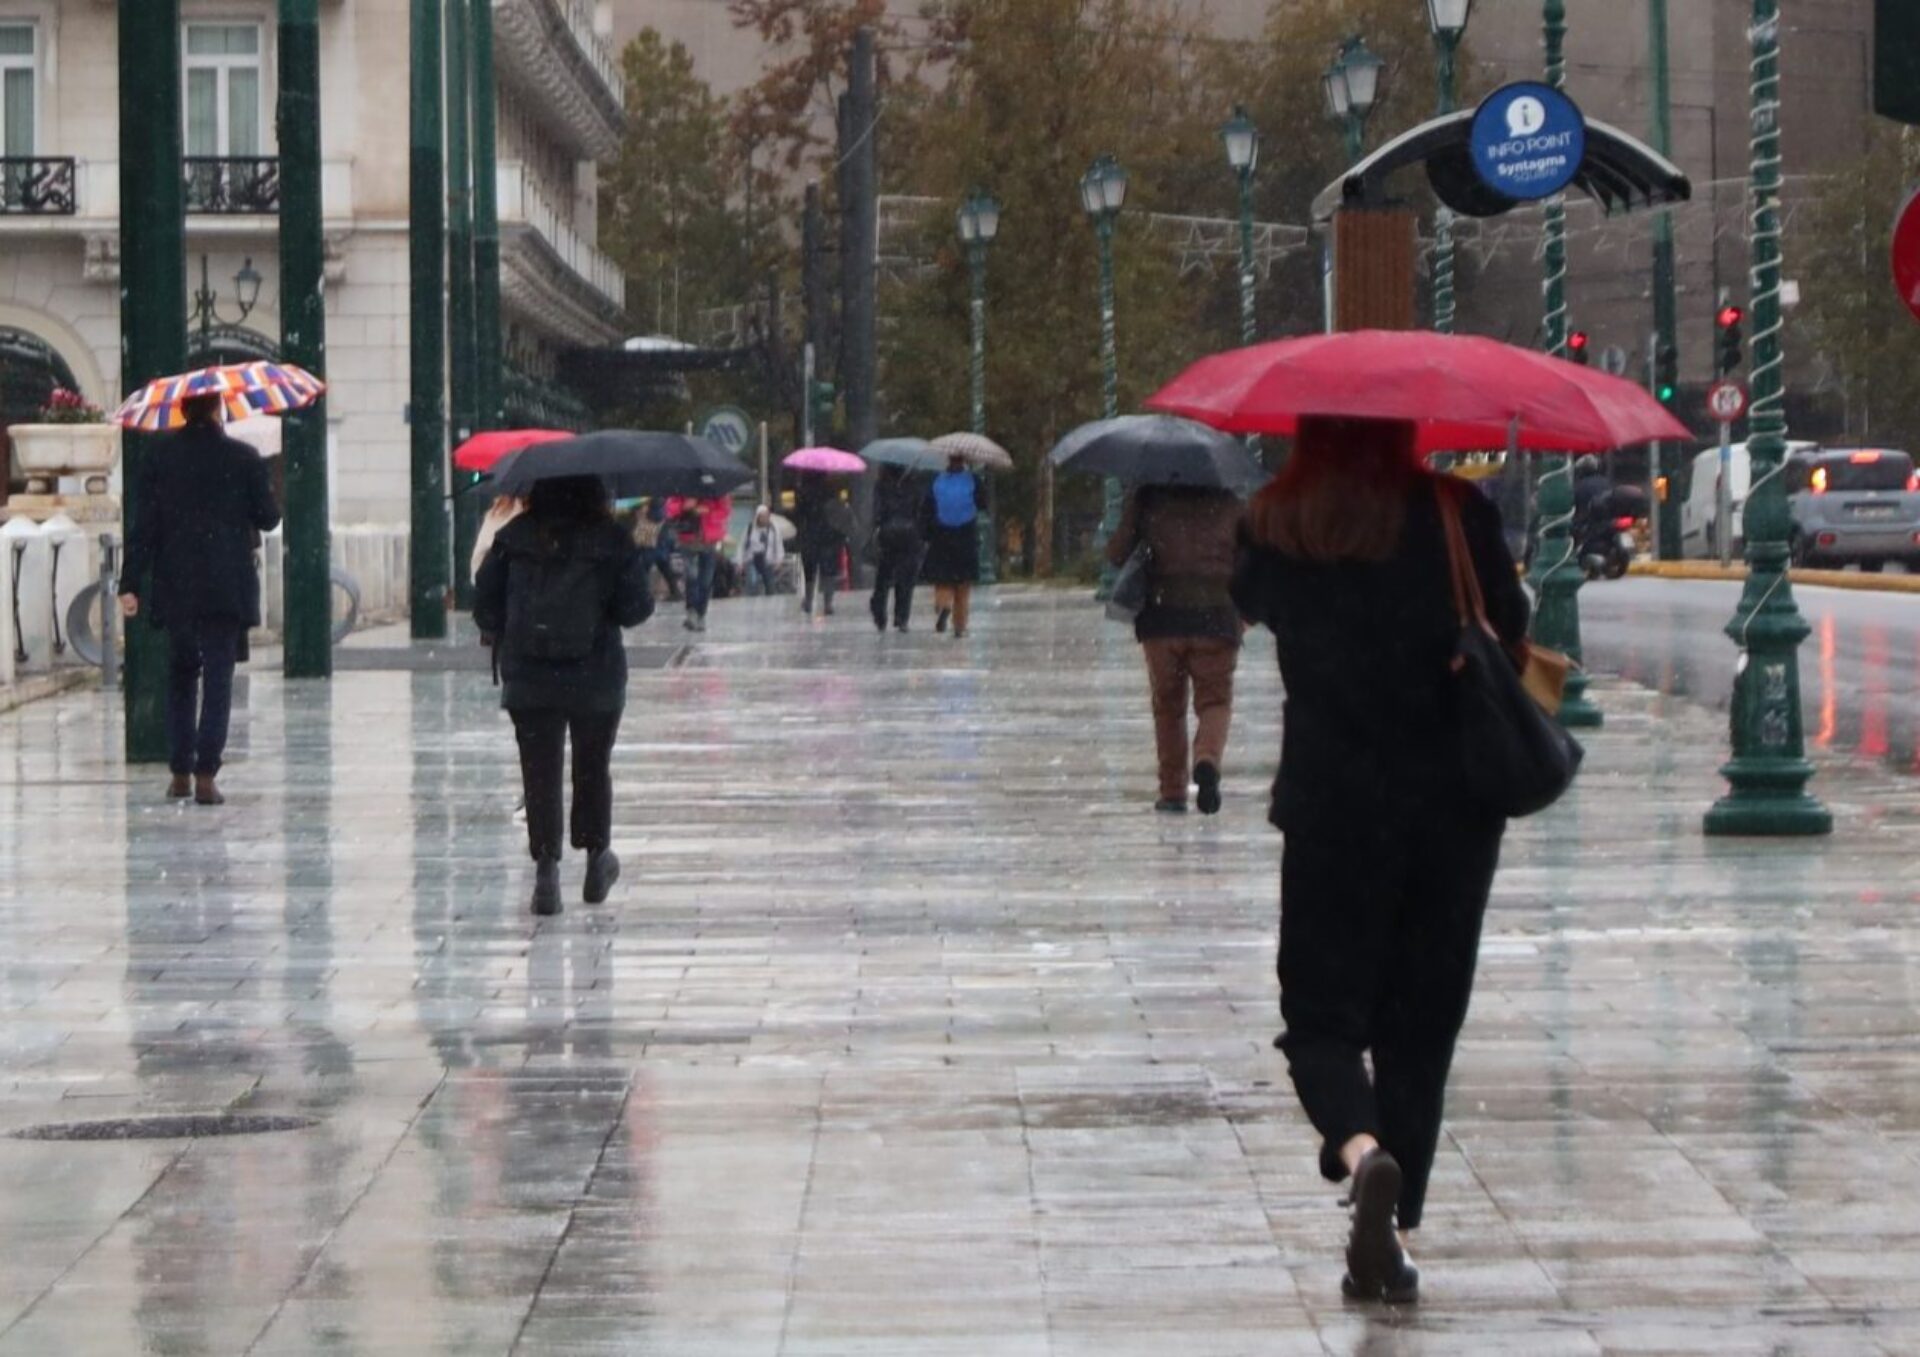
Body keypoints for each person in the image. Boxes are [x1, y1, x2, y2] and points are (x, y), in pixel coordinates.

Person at [1230, 416, 1529, 1306]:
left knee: (1320, 1020)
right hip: (1451, 809)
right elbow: (1508, 626)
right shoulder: (1453, 509)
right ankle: (1390, 1235)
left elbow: (1254, 604)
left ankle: (1363, 1154)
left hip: (1331, 806)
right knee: (1420, 1028)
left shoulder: (1275, 522)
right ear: (1405, 432)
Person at [474, 475, 653, 915]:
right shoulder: (612, 539)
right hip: (596, 675)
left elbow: (483, 606)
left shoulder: (512, 537)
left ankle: (547, 871)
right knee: (593, 767)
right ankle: (596, 858)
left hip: (530, 677)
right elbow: (636, 610)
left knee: (539, 772)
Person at [117, 393, 281, 806]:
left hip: (177, 583)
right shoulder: (244, 457)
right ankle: (207, 773)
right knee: (220, 678)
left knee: (182, 675)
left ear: (182, 412)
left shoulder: (159, 457)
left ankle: (179, 772)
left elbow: (144, 527)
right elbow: (269, 517)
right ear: (218, 411)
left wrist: (129, 583)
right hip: (226, 583)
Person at [1105, 483, 1243, 815]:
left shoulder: (1149, 497)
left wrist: (1137, 512)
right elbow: (1255, 556)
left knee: (1168, 707)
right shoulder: (1230, 502)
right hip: (1217, 617)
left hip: (1162, 617)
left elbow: (1116, 554)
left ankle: (1172, 791)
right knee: (1215, 701)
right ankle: (1207, 758)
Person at [919, 455, 983, 638]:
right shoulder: (973, 480)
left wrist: (927, 535)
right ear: (963, 461)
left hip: (942, 536)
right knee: (963, 584)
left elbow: (927, 509)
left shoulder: (936, 481)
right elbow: (982, 504)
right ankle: (960, 626)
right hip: (966, 536)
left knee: (943, 579)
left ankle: (944, 606)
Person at [868, 465, 922, 632]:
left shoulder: (882, 484)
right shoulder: (914, 485)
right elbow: (918, 510)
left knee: (883, 576)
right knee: (906, 578)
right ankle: (902, 617)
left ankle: (879, 612)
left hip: (888, 534)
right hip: (909, 534)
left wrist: (879, 524)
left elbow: (877, 511)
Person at [665, 494, 730, 632]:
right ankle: (691, 611)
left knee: (706, 581)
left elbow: (725, 511)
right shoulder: (682, 487)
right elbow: (670, 509)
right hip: (686, 538)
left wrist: (708, 511)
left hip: (709, 541)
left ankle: (701, 614)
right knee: (691, 575)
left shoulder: (715, 490)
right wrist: (684, 506)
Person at [795, 474, 851, 617]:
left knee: (810, 570)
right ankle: (828, 603)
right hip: (829, 536)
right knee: (829, 571)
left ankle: (808, 600)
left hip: (811, 535)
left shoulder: (803, 492)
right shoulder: (833, 491)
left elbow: (799, 515)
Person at [736, 504, 786, 596]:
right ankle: (750, 602)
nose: (764, 519)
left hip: (768, 560)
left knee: (770, 585)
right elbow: (741, 546)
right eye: (762, 516)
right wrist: (740, 562)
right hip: (752, 559)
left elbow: (779, 546)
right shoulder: (750, 529)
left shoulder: (774, 529)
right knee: (752, 581)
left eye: (766, 516)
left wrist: (779, 561)